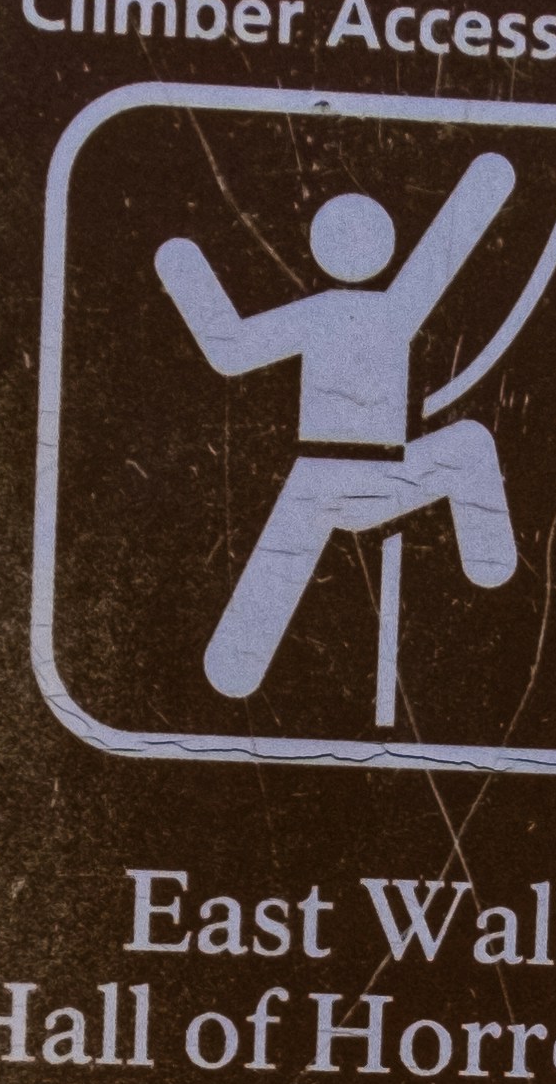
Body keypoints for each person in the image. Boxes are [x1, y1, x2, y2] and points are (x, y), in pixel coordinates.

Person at [158, 164, 523, 702]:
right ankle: (488, 563)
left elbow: (229, 349)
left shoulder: (327, 312)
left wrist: (185, 269)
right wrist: (487, 184)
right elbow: (442, 253)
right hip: (378, 476)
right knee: (469, 445)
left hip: (322, 481)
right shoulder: (394, 308)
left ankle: (235, 670)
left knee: (263, 600)